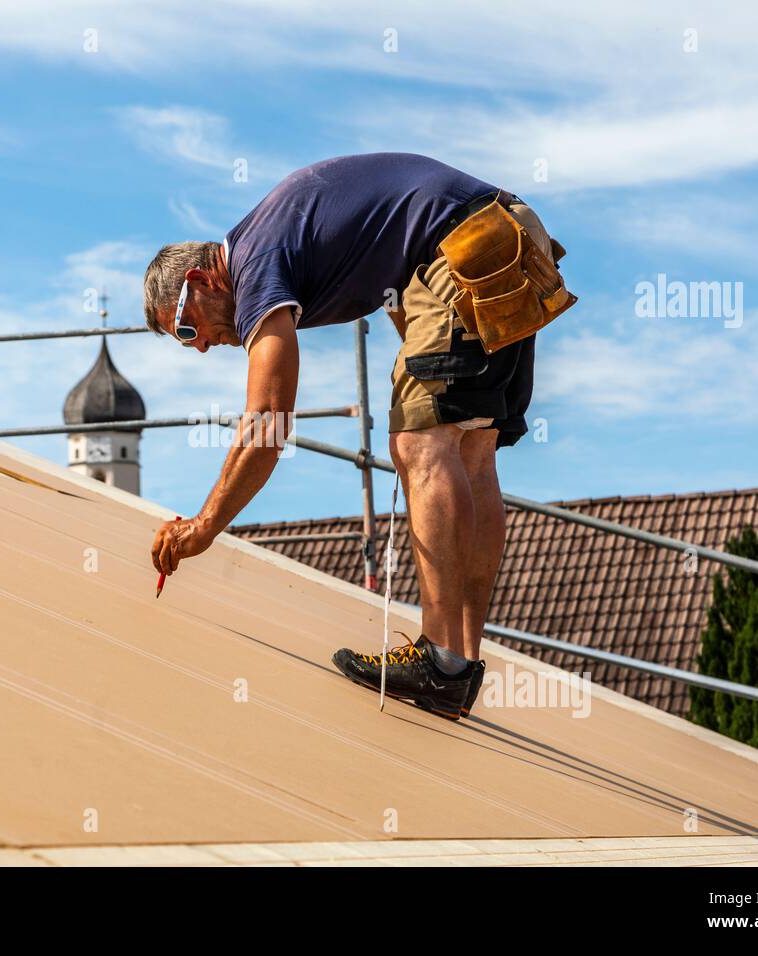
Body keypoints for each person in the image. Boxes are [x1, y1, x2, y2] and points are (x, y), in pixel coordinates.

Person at [144, 153, 574, 719]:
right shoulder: (279, 235)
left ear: (199, 280)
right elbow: (391, 267)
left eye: (186, 328)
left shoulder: (254, 264)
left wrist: (204, 527)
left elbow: (269, 420)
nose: (200, 345)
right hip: (508, 236)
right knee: (472, 447)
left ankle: (441, 661)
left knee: (421, 443)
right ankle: (461, 661)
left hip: (466, 246)